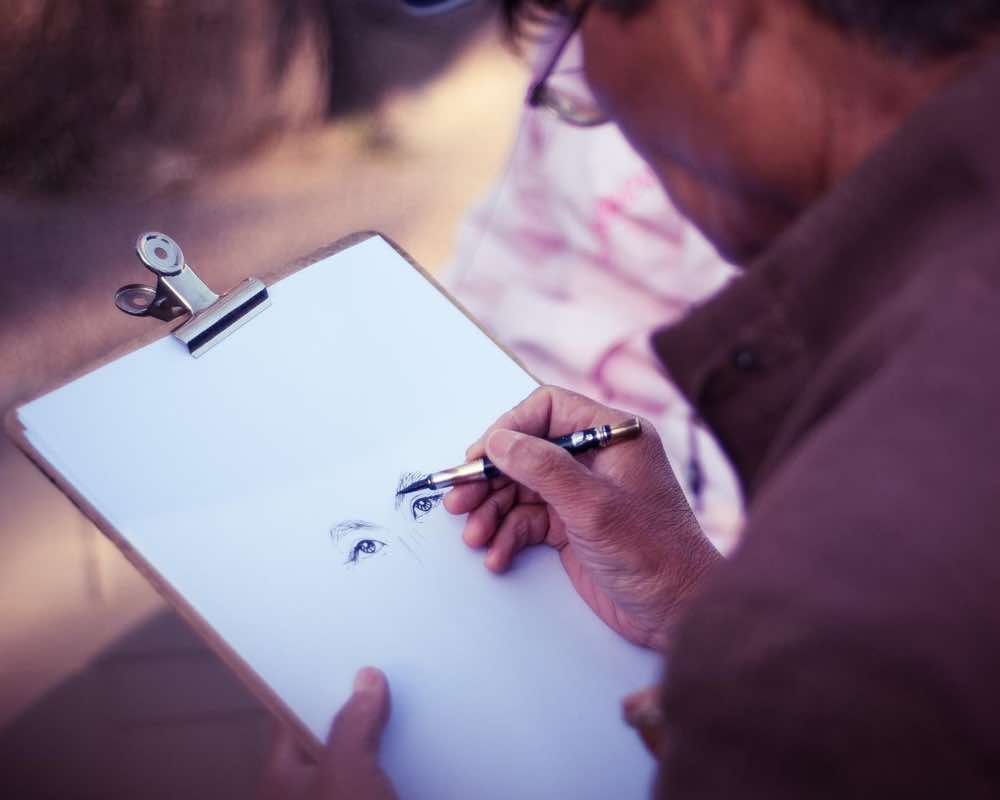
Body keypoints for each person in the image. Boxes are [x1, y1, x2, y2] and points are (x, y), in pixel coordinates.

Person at [261, 0, 1000, 797]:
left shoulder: (829, 605)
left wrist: (757, 647)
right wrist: (696, 597)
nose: (616, 127)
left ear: (714, 22)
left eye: (588, 96)